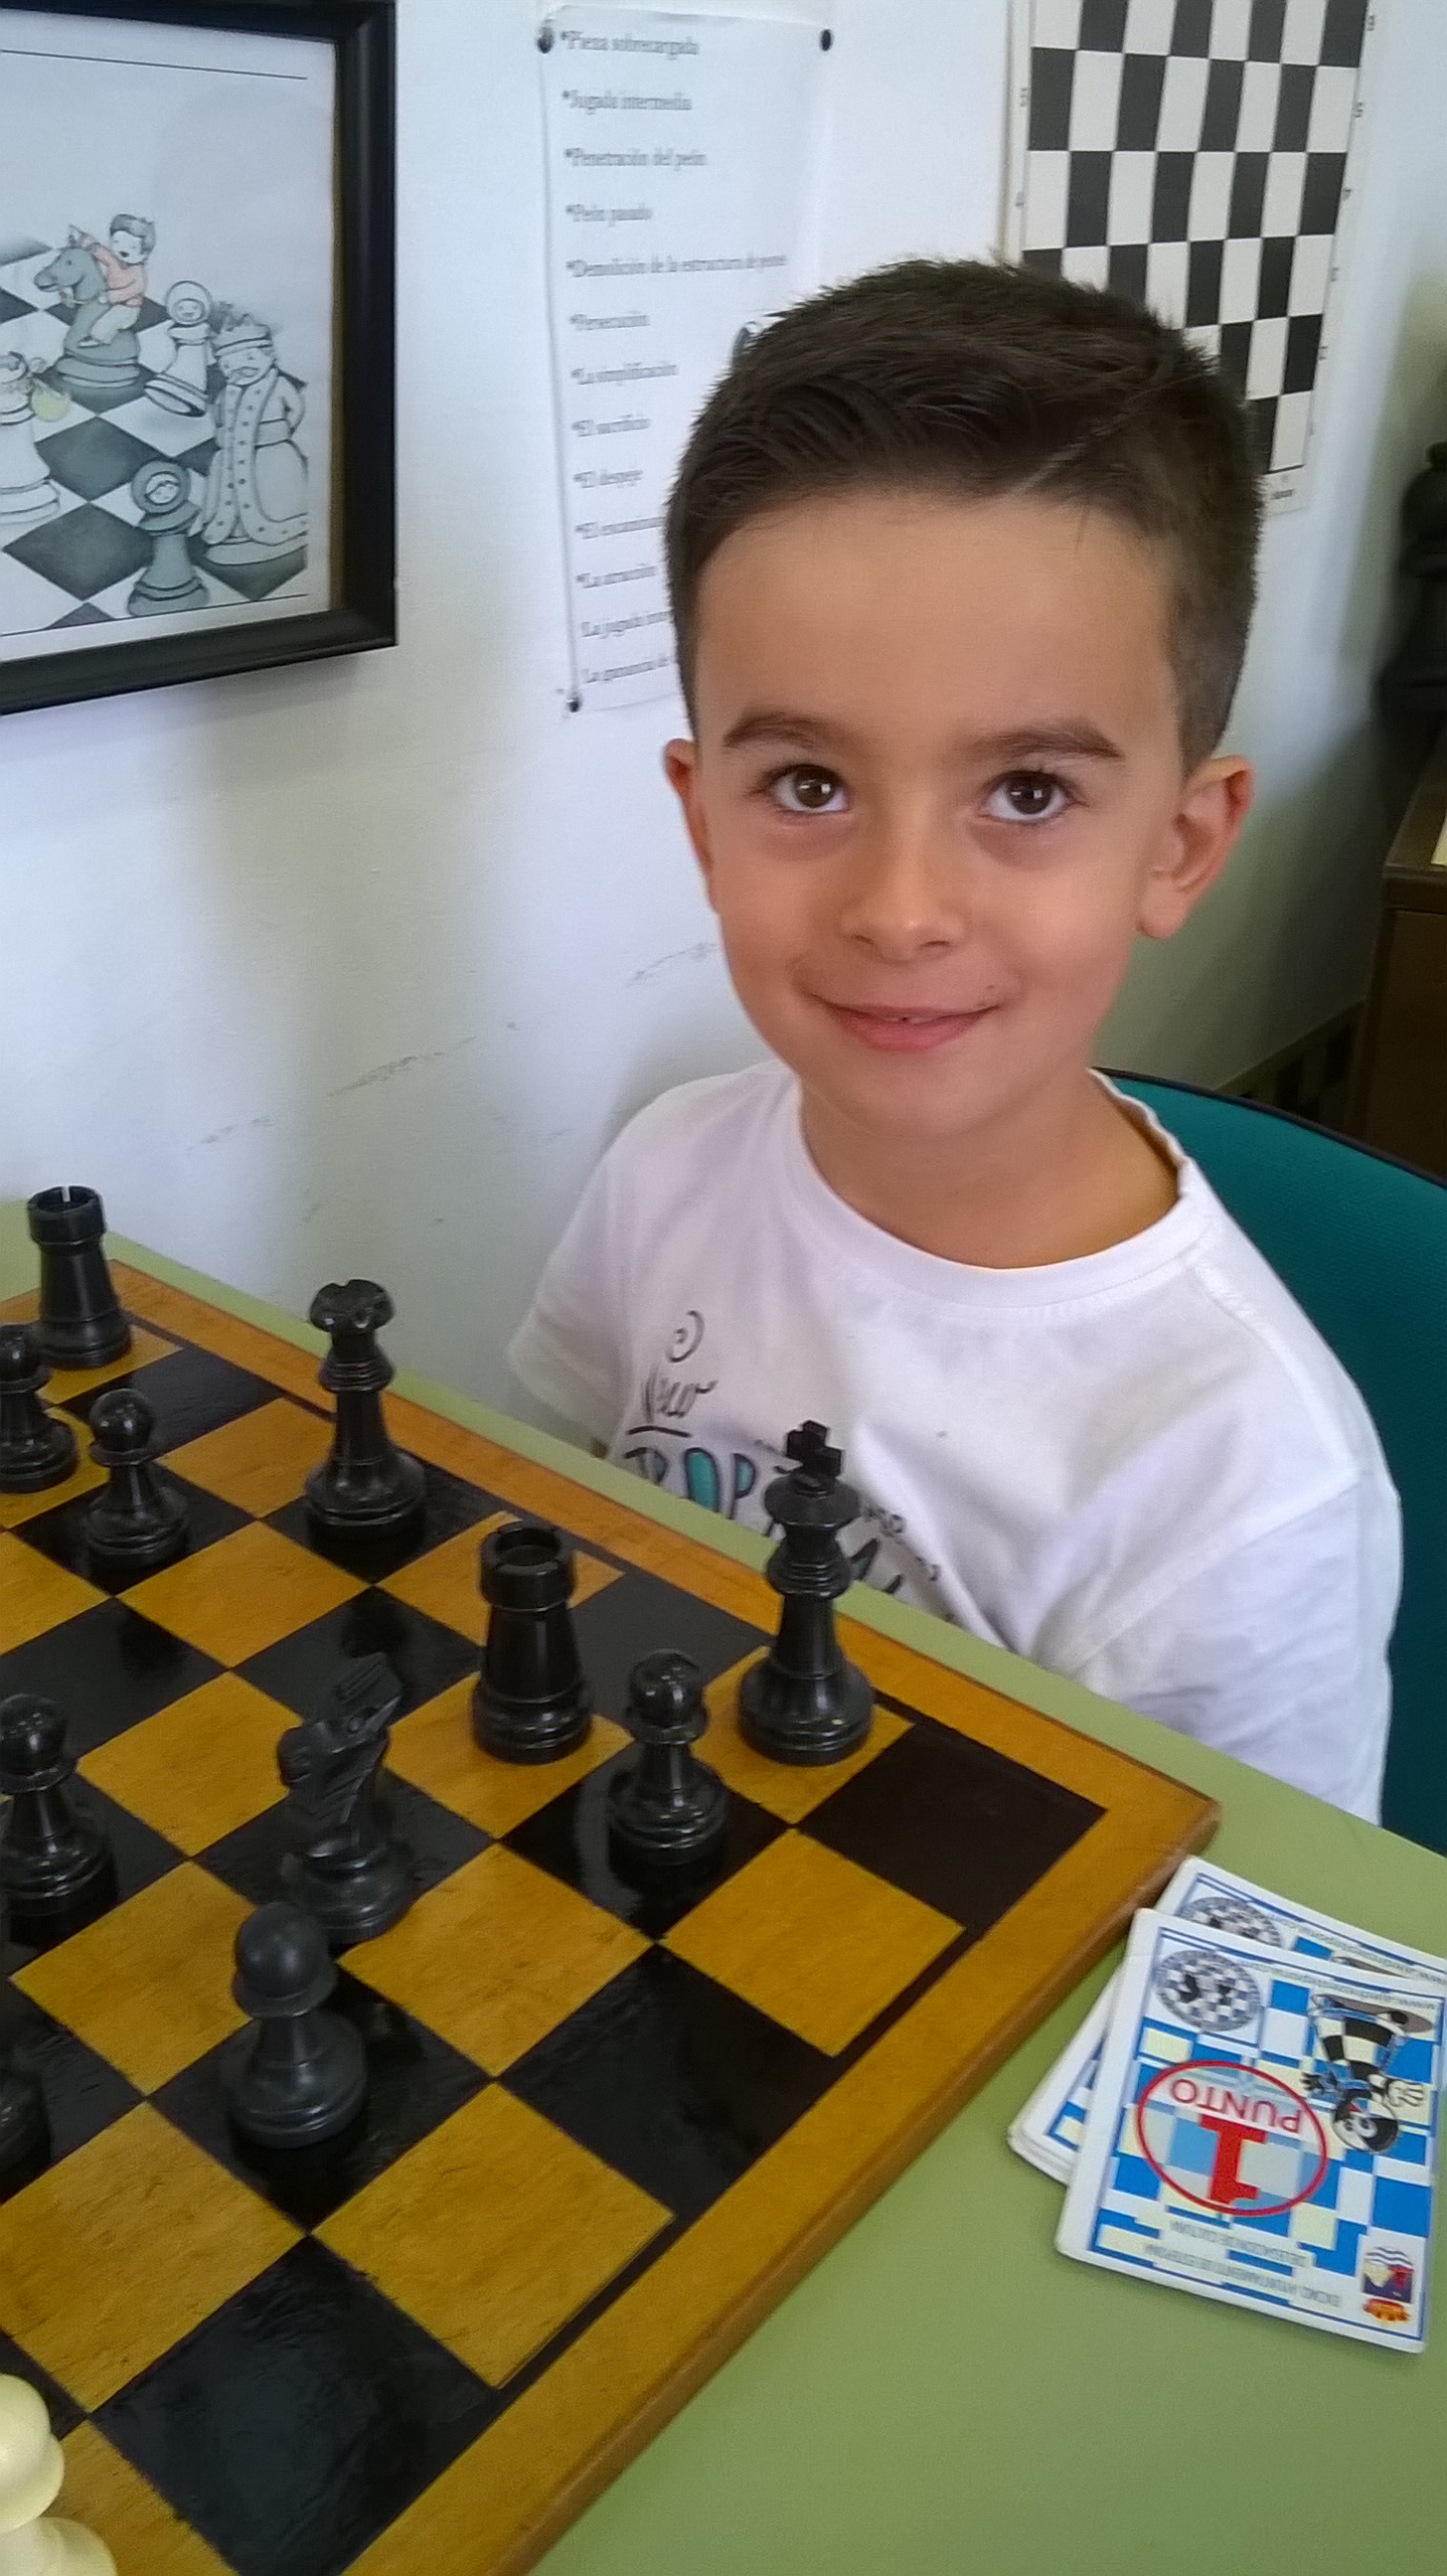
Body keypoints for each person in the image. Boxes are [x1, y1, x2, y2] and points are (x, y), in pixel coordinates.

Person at [509, 259, 1399, 1821]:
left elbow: (1230, 1934)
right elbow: (552, 1548)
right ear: (704, 821)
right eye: (807, 786)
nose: (901, 911)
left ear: (1180, 847)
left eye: (1029, 793)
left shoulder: (1246, 1489)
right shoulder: (663, 1171)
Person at [73, 214, 153, 344]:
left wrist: (111, 296)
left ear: (144, 253)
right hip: (111, 303)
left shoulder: (137, 272)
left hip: (127, 308)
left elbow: (134, 290)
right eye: (117, 242)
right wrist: (86, 241)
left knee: (106, 322)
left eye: (132, 247)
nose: (123, 250)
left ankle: (98, 338)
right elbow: (103, 253)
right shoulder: (115, 261)